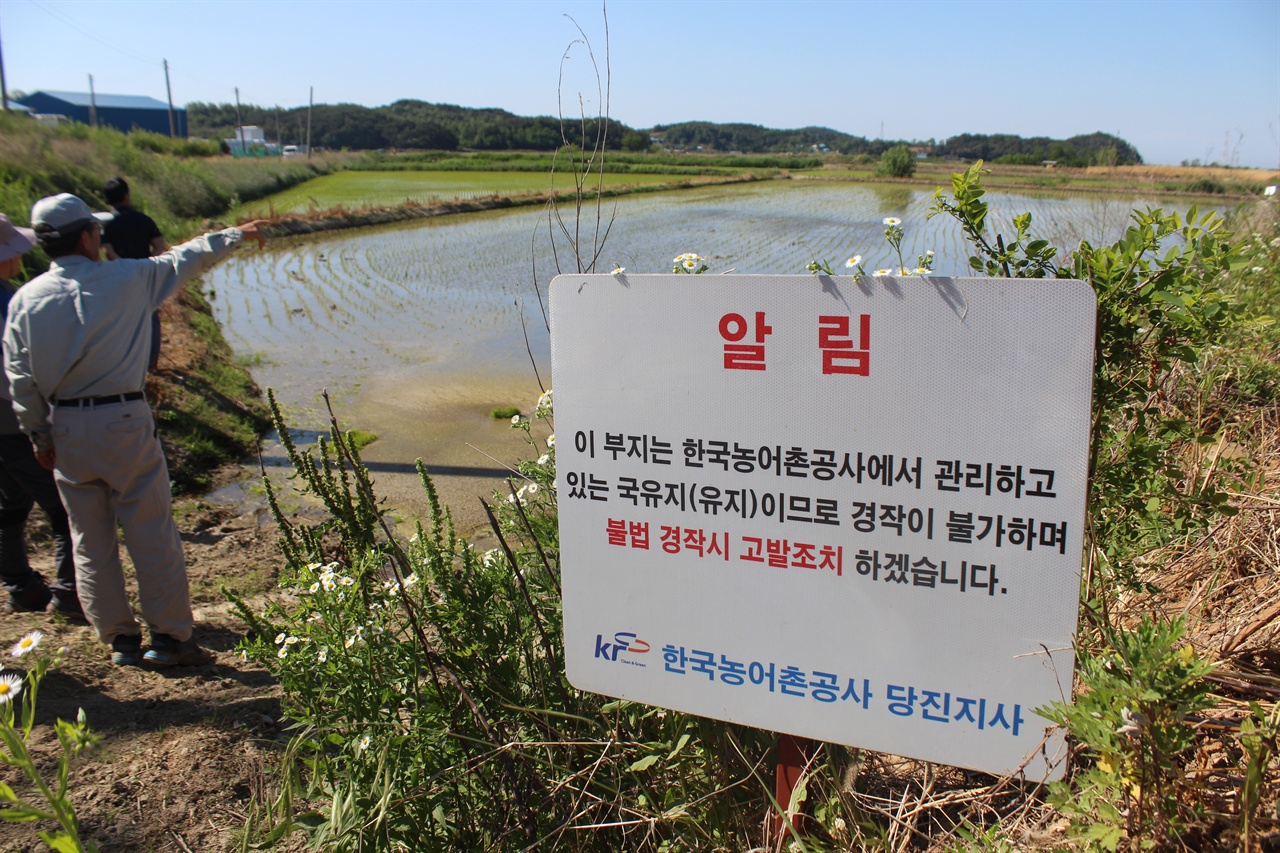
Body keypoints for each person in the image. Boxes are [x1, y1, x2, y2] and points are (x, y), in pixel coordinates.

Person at [4, 193, 266, 666]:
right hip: (122, 418)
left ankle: (120, 640)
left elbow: (19, 380)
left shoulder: (25, 300)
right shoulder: (129, 277)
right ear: (87, 236)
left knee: (88, 536)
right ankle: (169, 638)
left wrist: (39, 436)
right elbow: (185, 257)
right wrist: (238, 234)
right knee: (149, 530)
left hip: (64, 425)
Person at [0, 213, 80, 619]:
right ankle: (69, 593)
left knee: (10, 505)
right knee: (63, 508)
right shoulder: (9, 300)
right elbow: (13, 376)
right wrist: (42, 423)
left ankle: (20, 585)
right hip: (11, 425)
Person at [100, 177, 168, 371]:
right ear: (127, 196)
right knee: (151, 316)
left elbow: (106, 250)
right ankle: (152, 364)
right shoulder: (143, 219)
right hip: (146, 275)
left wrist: (123, 265)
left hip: (119, 277)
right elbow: (159, 245)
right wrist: (146, 264)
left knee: (125, 319)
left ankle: (130, 363)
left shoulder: (107, 224)